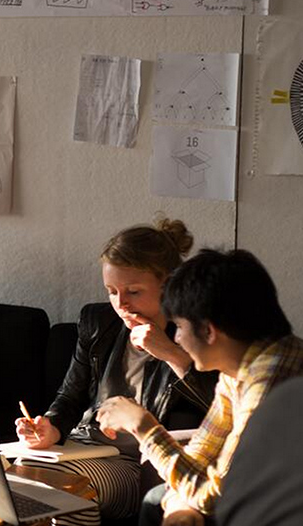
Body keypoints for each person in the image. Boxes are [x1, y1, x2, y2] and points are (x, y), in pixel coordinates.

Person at [14, 218, 217, 525]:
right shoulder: (98, 322)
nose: (121, 304)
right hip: (80, 448)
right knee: (9, 474)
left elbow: (220, 406)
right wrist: (50, 429)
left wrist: (171, 354)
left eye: (133, 291)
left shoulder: (196, 332)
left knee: (62, 491)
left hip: (136, 464)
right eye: (112, 291)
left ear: (169, 285)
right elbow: (69, 396)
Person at [95, 249, 303, 526]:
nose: (177, 338)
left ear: (209, 331)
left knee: (158, 501)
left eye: (179, 326)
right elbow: (202, 453)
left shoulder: (270, 382)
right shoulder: (239, 368)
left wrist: (143, 426)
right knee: (159, 499)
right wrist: (180, 503)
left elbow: (217, 495)